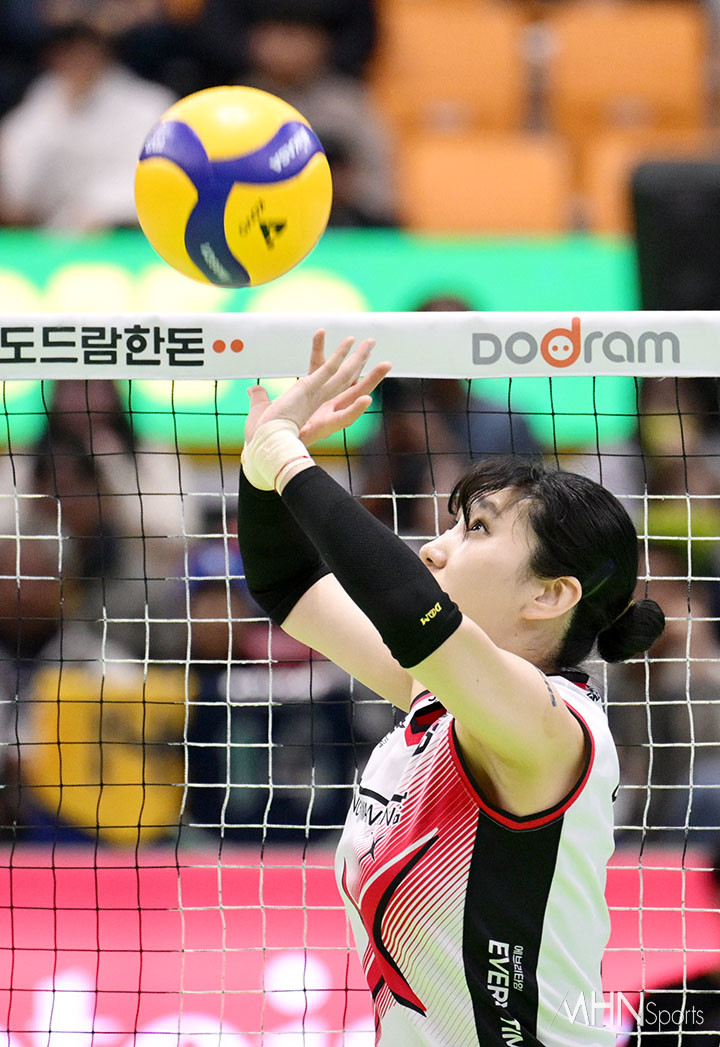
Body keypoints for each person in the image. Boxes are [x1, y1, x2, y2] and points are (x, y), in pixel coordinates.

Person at [236, 332, 665, 1045]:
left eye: (476, 530)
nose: (435, 548)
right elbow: (289, 585)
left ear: (550, 594)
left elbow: (411, 611)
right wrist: (262, 466)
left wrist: (287, 461)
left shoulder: (553, 727)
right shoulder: (435, 696)